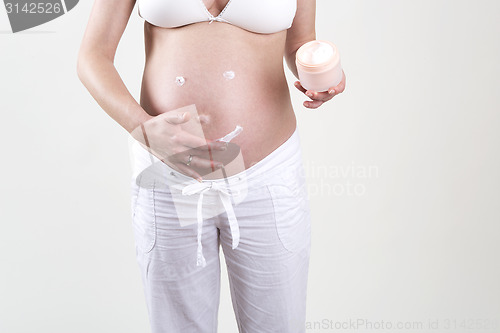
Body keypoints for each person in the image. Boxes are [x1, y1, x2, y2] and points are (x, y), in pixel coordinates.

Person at [77, 0, 346, 332]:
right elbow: (92, 55)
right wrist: (142, 128)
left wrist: (319, 72)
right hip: (171, 171)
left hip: (267, 171)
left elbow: (300, 41)